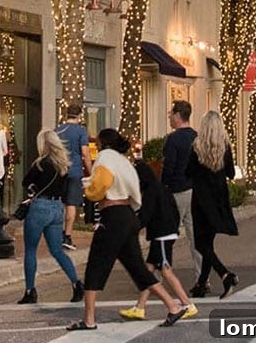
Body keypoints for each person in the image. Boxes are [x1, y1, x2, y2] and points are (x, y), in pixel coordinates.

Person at [67, 129, 187, 331]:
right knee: (138, 268)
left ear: (104, 143)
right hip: (127, 215)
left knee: (95, 266)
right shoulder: (126, 162)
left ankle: (89, 320)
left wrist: (88, 190)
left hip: (111, 215)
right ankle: (173, 306)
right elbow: (135, 192)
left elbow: (101, 184)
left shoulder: (105, 157)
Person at [119, 142, 198, 321]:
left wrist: (130, 228)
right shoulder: (162, 188)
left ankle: (187, 304)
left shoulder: (151, 192)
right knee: (148, 271)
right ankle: (140, 307)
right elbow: (175, 211)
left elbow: (145, 216)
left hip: (161, 234)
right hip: (166, 232)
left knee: (165, 270)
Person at [17, 129, 85, 305]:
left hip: (40, 206)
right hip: (57, 208)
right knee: (57, 251)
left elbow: (26, 182)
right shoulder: (63, 165)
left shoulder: (40, 164)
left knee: (31, 250)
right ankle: (76, 283)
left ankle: (30, 290)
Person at [187, 111, 239, 299]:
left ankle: (225, 275)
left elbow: (188, 172)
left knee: (201, 244)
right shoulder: (225, 147)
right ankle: (201, 283)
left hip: (201, 200)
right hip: (219, 199)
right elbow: (232, 173)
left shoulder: (197, 147)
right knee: (208, 242)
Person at [162, 100, 203, 291]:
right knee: (195, 237)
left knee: (166, 235)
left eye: (171, 113)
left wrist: (163, 189)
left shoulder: (172, 140)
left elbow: (168, 168)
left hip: (177, 190)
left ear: (178, 116)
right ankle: (202, 278)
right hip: (195, 190)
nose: (169, 116)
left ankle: (159, 277)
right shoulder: (197, 137)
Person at [55, 104, 93, 251]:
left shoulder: (58, 131)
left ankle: (57, 235)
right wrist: (90, 171)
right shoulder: (81, 131)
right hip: (75, 171)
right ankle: (67, 236)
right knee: (71, 204)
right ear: (79, 115)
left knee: (59, 203)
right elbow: (85, 153)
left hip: (59, 171)